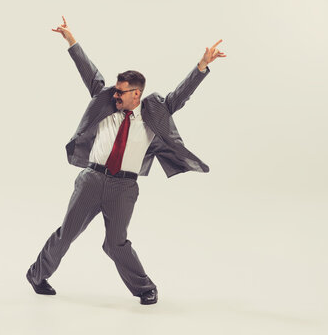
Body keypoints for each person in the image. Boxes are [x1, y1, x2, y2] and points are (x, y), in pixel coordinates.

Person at [26, 16, 226, 305]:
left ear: (137, 93)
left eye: (121, 91)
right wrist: (71, 41)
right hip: (91, 180)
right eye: (115, 90)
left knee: (116, 244)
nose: (115, 94)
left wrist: (201, 66)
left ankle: (145, 289)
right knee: (66, 233)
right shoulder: (106, 102)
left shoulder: (153, 111)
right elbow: (90, 73)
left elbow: (179, 97)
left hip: (124, 187)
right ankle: (37, 275)